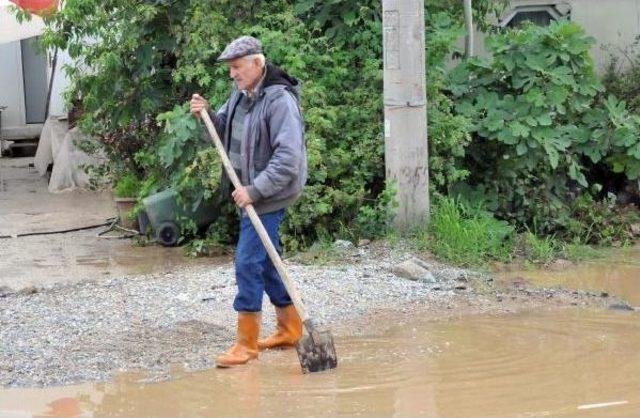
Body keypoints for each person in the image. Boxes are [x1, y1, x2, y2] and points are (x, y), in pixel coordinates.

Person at [190, 36, 307, 367]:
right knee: (268, 261)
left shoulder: (279, 101)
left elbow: (288, 160)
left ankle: (246, 344)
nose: (232, 75)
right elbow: (222, 129)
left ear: (257, 64)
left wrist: (254, 191)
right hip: (248, 192)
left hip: (269, 195)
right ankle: (290, 328)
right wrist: (206, 115)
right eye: (230, 69)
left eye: (237, 67)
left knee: (247, 261)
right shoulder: (241, 95)